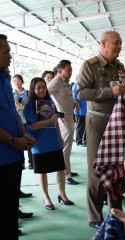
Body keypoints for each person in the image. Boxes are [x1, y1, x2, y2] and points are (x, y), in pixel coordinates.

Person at [77, 31, 125, 229]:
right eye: (116, 43)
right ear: (103, 43)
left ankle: (116, 213)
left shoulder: (120, 67)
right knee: (96, 168)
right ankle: (94, 217)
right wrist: (109, 91)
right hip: (97, 122)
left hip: (118, 123)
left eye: (120, 43)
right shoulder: (90, 66)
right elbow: (81, 92)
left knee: (117, 169)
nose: (119, 47)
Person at [0, 34, 36, 239]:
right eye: (6, 52)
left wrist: (25, 134)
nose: (10, 56)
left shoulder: (5, 78)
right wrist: (14, 141)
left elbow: (12, 112)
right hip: (2, 158)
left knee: (11, 209)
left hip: (14, 156)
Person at [24, 77, 74, 210]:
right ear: (33, 89)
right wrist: (49, 121)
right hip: (39, 143)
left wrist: (60, 136)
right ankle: (46, 197)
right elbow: (33, 126)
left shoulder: (49, 102)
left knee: (60, 168)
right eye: (38, 87)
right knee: (42, 171)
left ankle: (62, 194)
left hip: (54, 140)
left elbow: (56, 121)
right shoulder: (29, 106)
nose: (41, 90)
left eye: (43, 87)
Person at [47, 60, 80, 185]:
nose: (70, 72)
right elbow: (45, 94)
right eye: (68, 70)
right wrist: (50, 111)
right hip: (63, 117)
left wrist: (74, 102)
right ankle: (66, 175)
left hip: (69, 116)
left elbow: (66, 97)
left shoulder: (64, 82)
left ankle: (68, 170)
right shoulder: (55, 82)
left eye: (71, 69)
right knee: (65, 147)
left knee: (68, 146)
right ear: (60, 71)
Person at [72, 77, 87, 147]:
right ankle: (79, 141)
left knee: (84, 127)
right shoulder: (75, 86)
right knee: (80, 126)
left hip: (85, 110)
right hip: (80, 111)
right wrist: (78, 108)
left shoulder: (83, 86)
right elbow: (75, 99)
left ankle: (84, 140)